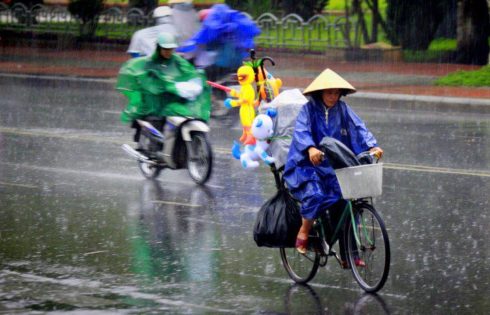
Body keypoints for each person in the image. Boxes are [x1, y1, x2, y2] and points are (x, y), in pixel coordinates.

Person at [283, 68, 383, 267]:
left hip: (331, 166)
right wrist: (311, 148)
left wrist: (372, 145)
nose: (333, 96)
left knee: (346, 201)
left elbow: (358, 128)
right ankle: (303, 232)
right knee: (316, 194)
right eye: (329, 92)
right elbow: (301, 131)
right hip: (305, 166)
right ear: (320, 92)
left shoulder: (343, 109)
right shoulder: (308, 110)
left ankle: (349, 255)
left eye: (336, 92)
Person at [117, 32, 211, 146]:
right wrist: (159, 84)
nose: (168, 52)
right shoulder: (149, 62)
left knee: (186, 112)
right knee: (157, 122)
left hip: (173, 97)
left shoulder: (177, 60)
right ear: (159, 48)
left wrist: (197, 78)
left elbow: (189, 72)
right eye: (165, 49)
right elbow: (140, 74)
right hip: (155, 101)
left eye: (171, 49)